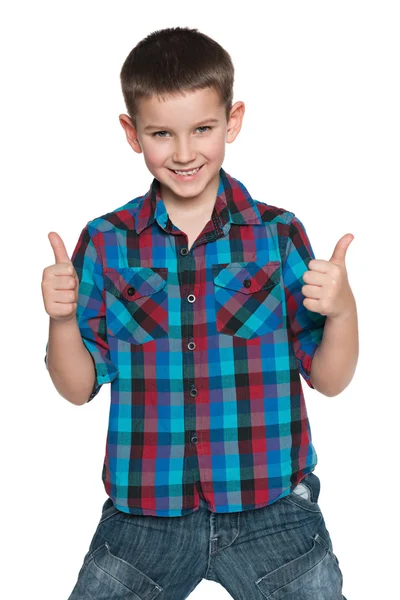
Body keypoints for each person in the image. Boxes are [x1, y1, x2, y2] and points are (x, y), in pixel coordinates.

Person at [42, 26, 357, 600]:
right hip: (143, 517)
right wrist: (61, 321)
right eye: (162, 133)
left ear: (232, 121)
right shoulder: (107, 242)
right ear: (131, 133)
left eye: (203, 129)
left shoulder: (278, 233)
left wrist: (343, 310)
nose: (184, 153)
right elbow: (77, 386)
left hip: (273, 513)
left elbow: (331, 380)